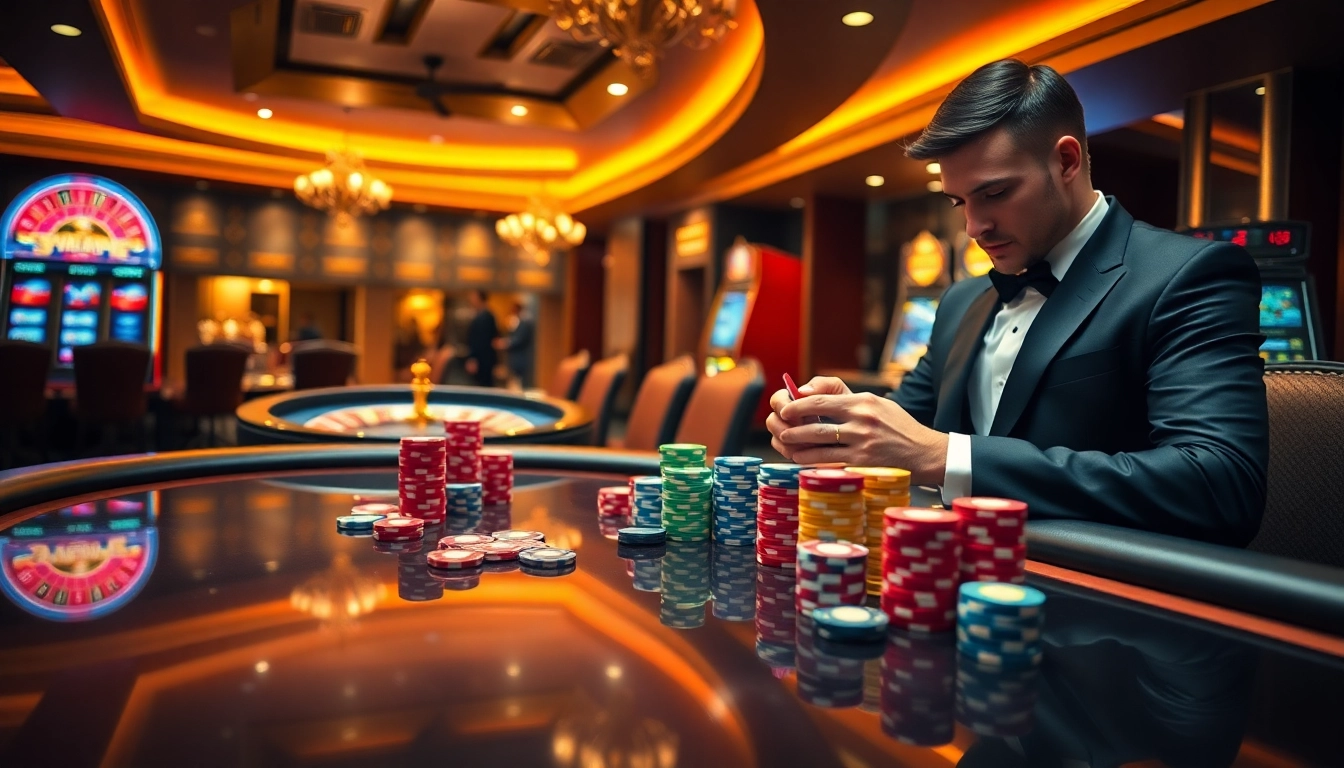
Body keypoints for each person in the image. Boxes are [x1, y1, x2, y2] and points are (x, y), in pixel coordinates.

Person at [767, 59, 1268, 547]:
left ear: (1066, 161)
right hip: (947, 585)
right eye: (960, 202)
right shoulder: (962, 301)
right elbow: (905, 431)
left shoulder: (1189, 275)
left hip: (1104, 598)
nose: (973, 228)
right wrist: (833, 427)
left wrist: (948, 458)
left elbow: (1220, 484)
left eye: (995, 193)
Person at [495, 300, 536, 389]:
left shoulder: (525, 322)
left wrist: (506, 343)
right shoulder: (517, 322)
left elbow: (519, 339)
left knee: (521, 384)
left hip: (521, 358)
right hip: (515, 359)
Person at [464, 289, 498, 387]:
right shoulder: (483, 315)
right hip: (483, 359)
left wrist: (473, 358)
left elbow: (482, 341)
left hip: (483, 360)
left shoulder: (485, 317)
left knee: (483, 386)